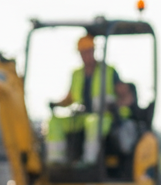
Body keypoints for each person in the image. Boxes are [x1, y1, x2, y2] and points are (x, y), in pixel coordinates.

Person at [46, 35, 133, 165]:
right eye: (82, 53)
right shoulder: (76, 74)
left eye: (88, 52)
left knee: (93, 123)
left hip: (105, 117)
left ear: (93, 51)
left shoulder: (108, 71)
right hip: (82, 116)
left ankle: (89, 162)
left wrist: (116, 106)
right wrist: (56, 104)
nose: (85, 55)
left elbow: (128, 97)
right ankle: (56, 162)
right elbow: (69, 99)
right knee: (54, 122)